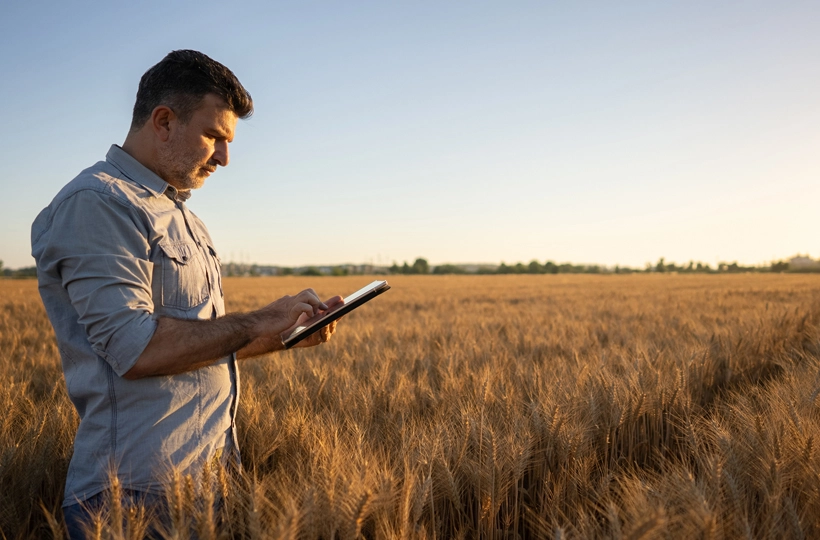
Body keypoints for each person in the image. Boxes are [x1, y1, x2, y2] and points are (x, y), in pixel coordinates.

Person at [31, 49, 341, 538]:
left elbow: (198, 344)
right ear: (163, 121)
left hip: (210, 484)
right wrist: (260, 319)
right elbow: (136, 349)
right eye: (214, 136)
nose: (225, 157)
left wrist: (283, 335)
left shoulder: (183, 216)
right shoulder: (98, 203)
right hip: (132, 497)